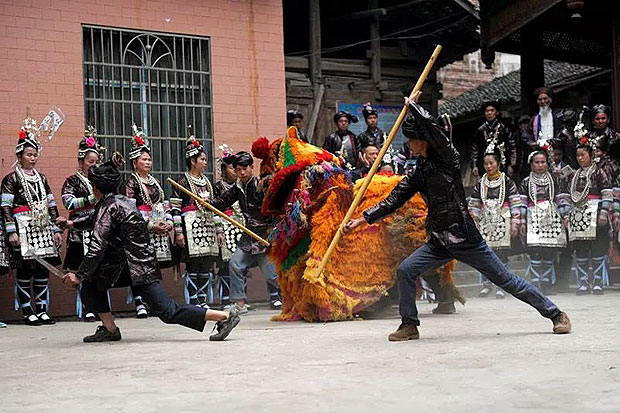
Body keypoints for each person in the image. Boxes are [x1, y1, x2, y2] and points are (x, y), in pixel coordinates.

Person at [343, 92, 571, 341]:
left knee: (507, 280)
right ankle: (409, 325)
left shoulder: (447, 159)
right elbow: (394, 199)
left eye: (411, 140)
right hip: (439, 240)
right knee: (406, 270)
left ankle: (556, 314)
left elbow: (434, 131)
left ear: (422, 140)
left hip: (465, 237)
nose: (408, 145)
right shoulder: (419, 171)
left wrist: (414, 108)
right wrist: (362, 219)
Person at [61, 156, 240, 342]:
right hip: (127, 264)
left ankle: (225, 317)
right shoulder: (122, 201)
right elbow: (97, 219)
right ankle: (110, 329)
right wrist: (71, 223)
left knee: (167, 311)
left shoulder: (108, 206)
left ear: (96, 189)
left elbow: (97, 247)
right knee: (91, 282)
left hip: (138, 267)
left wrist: (78, 275)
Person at [1, 116, 63, 326]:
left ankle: (43, 310)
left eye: (35, 154)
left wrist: (55, 229)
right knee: (26, 270)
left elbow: (51, 203)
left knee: (43, 269)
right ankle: (28, 311)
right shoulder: (11, 179)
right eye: (29, 154)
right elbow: (5, 206)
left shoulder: (42, 178)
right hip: (22, 227)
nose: (33, 158)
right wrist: (11, 231)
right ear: (19, 156)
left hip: (42, 226)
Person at [210, 151, 281, 314]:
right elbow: (223, 201)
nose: (242, 173)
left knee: (272, 275)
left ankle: (295, 297)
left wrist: (273, 231)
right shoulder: (237, 188)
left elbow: (274, 208)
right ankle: (240, 303)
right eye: (238, 170)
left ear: (251, 168)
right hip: (249, 234)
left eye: (245, 169)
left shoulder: (261, 185)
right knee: (235, 264)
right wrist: (209, 203)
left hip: (264, 235)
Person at [120, 125, 174, 319]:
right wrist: (149, 225)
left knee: (153, 266)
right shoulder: (131, 182)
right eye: (144, 159)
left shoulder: (154, 181)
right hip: (139, 230)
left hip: (158, 228)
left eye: (149, 159)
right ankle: (139, 303)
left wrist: (169, 222)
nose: (148, 162)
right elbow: (129, 209)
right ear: (135, 162)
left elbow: (165, 203)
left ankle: (154, 302)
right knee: (140, 267)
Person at [170, 135, 221, 308]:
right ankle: (193, 301)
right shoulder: (182, 182)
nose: (205, 163)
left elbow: (214, 209)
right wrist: (178, 232)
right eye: (202, 159)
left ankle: (203, 300)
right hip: (190, 228)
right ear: (193, 161)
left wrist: (219, 230)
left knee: (205, 265)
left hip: (207, 226)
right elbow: (175, 209)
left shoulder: (208, 183)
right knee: (193, 265)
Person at [558, 136, 612, 295]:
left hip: (596, 215)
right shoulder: (573, 175)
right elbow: (566, 196)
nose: (580, 158)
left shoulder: (599, 172)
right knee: (580, 250)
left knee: (597, 250)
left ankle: (597, 282)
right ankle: (582, 282)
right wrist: (566, 215)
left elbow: (607, 193)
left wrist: (604, 213)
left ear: (591, 155)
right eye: (578, 155)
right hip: (578, 216)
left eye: (583, 155)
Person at [60, 126, 103, 322]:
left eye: (96, 162)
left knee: (98, 268)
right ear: (80, 162)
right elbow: (68, 202)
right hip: (78, 229)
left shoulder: (99, 181)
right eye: (90, 162)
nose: (93, 165)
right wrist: (91, 199)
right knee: (81, 269)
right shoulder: (72, 181)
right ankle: (88, 307)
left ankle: (100, 306)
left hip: (98, 228)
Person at [468, 144, 521, 298]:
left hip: (503, 221)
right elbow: (474, 204)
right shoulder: (481, 183)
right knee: (485, 255)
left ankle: (502, 286)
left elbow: (515, 202)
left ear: (498, 164)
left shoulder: (507, 182)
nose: (488, 166)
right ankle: (486, 285)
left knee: (501, 256)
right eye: (486, 164)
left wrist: (515, 223)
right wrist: (474, 222)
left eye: (491, 163)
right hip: (485, 222)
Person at [519, 141, 567, 293]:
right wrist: (521, 221)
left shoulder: (554, 180)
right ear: (531, 164)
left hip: (551, 218)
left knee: (548, 250)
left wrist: (565, 216)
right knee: (535, 250)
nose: (540, 165)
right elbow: (522, 203)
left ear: (547, 163)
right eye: (537, 162)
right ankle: (534, 283)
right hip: (533, 218)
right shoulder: (526, 182)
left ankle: (545, 283)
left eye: (542, 162)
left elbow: (560, 199)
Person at [213, 148, 244, 308]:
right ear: (224, 170)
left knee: (242, 263)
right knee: (226, 263)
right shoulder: (217, 187)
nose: (235, 172)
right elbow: (215, 209)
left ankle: (241, 299)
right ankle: (225, 299)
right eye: (232, 168)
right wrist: (219, 229)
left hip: (241, 226)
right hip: (225, 228)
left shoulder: (241, 186)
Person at [528, 87, 577, 168]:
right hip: (541, 156)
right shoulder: (534, 119)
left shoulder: (559, 116)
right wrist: (533, 143)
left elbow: (565, 133)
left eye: (545, 98)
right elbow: (527, 135)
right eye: (540, 99)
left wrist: (556, 141)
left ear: (550, 99)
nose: (543, 102)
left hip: (559, 155)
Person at [470, 102, 516, 179]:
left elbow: (512, 146)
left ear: (496, 112)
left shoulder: (504, 128)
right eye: (487, 111)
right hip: (485, 165)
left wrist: (512, 164)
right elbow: (475, 149)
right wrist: (474, 165)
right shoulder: (480, 130)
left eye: (492, 110)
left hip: (502, 163)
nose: (489, 113)